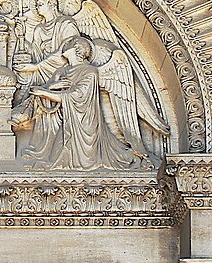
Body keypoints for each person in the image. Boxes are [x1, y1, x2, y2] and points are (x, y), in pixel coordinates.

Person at [13, 36, 140, 170]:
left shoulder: (89, 72)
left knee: (63, 156)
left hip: (82, 124)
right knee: (41, 100)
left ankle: (21, 116)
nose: (65, 44)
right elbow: (40, 91)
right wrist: (51, 88)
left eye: (69, 43)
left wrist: (45, 93)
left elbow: (76, 96)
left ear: (77, 48)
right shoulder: (61, 71)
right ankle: (21, 116)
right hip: (61, 121)